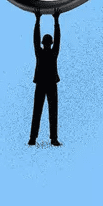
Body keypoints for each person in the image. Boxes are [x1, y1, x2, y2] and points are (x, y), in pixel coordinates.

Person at [29, 9, 62, 146]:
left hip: (43, 83)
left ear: (44, 43)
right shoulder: (51, 53)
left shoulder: (41, 53)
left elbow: (36, 39)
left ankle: (34, 138)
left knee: (39, 111)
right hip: (49, 83)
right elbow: (57, 39)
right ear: (50, 43)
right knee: (50, 112)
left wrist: (38, 20)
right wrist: (55, 20)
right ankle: (51, 138)